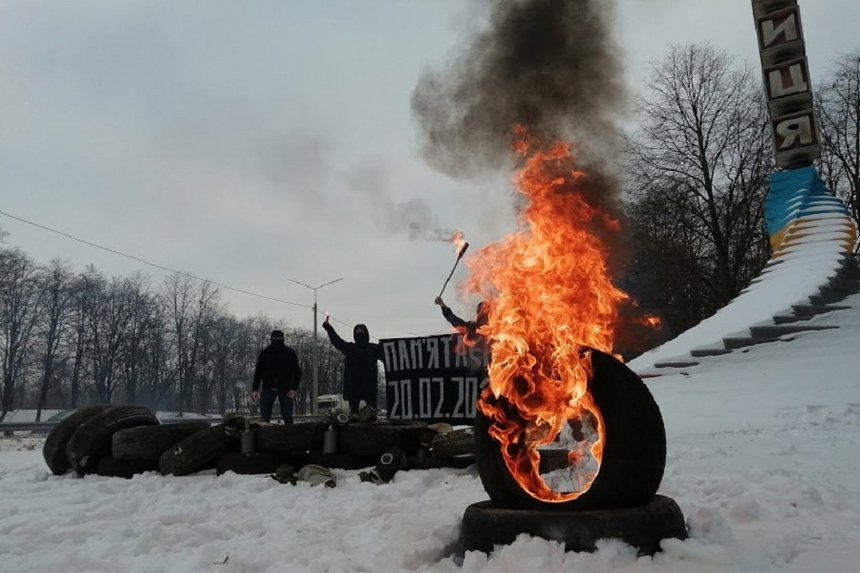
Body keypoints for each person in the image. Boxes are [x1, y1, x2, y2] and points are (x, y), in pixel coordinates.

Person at [322, 316, 381, 414]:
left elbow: (337, 341)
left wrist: (328, 328)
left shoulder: (366, 348)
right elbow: (336, 341)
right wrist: (329, 328)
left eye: (361, 332)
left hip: (362, 386)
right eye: (358, 332)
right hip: (359, 386)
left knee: (368, 412)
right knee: (360, 412)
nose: (360, 333)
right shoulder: (372, 348)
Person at [251, 329, 303, 424]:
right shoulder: (265, 353)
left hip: (285, 387)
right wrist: (255, 389)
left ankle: (289, 434)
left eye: (279, 338)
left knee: (287, 416)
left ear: (283, 339)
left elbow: (297, 372)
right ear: (271, 339)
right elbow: (258, 372)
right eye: (275, 338)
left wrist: (293, 388)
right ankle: (265, 434)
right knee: (265, 416)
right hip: (269, 386)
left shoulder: (289, 353)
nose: (277, 340)